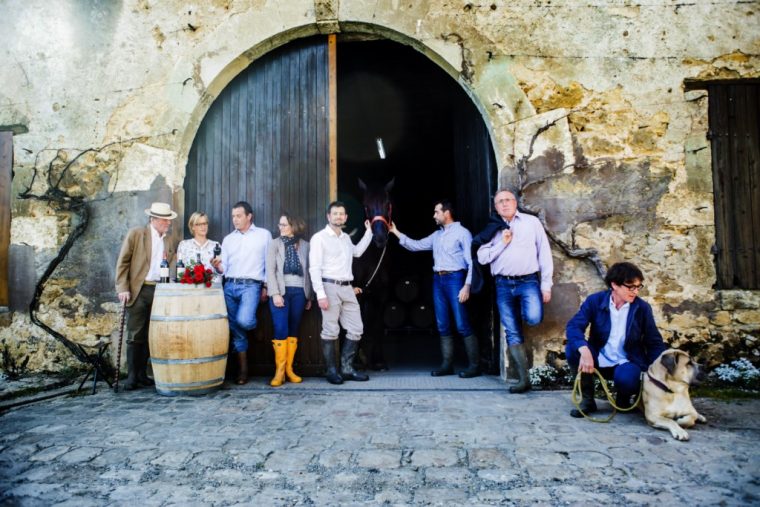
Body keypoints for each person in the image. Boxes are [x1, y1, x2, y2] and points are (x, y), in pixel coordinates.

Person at [390, 199, 480, 378]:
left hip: (456, 279)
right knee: (442, 324)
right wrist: (395, 232)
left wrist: (467, 286)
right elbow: (415, 245)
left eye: (436, 212)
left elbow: (471, 262)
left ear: (446, 213)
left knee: (462, 324)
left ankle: (474, 366)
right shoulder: (436, 236)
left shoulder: (463, 233)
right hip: (438, 280)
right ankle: (447, 365)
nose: (434, 216)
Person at [476, 188, 553, 393]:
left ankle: (520, 312)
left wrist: (546, 285)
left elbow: (544, 253)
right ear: (495, 207)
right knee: (512, 332)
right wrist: (502, 243)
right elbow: (482, 258)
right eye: (500, 201)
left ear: (515, 202)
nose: (505, 204)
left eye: (508, 200)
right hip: (503, 284)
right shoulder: (493, 229)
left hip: (528, 282)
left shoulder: (531, 223)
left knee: (534, 317)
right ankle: (523, 379)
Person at [566, 261, 667, 417]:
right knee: (573, 350)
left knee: (628, 377)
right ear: (614, 285)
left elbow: (654, 342)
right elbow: (574, 326)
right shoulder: (595, 301)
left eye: (638, 287)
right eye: (630, 287)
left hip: (626, 362)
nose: (635, 292)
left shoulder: (642, 308)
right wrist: (584, 350)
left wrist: (660, 369)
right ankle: (587, 400)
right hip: (598, 358)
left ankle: (623, 400)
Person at [115, 202, 178, 390]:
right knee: (135, 334)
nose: (168, 223)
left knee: (152, 334)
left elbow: (172, 262)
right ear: (154, 219)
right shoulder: (137, 234)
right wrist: (122, 288)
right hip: (139, 289)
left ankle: (143, 375)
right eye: (165, 220)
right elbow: (123, 262)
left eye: (169, 220)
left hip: (159, 291)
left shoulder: (169, 239)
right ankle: (132, 376)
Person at [309, 201, 372, 384]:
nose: (338, 216)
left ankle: (346, 369)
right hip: (329, 287)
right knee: (330, 330)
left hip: (347, 288)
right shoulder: (319, 238)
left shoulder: (345, 238)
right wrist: (320, 294)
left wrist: (369, 232)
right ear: (328, 217)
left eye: (341, 214)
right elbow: (314, 268)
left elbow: (358, 252)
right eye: (335, 213)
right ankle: (331, 371)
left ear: (345, 217)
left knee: (356, 328)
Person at [211, 201, 270, 385]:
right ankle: (243, 371)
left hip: (251, 285)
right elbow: (224, 268)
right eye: (233, 216)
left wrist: (266, 286)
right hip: (229, 286)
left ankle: (253, 326)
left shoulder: (263, 235)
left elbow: (269, 263)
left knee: (244, 321)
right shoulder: (228, 239)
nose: (235, 219)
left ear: (249, 216)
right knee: (237, 332)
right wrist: (218, 266)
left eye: (238, 216)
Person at [266, 213, 313, 387]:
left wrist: (310, 296)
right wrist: (275, 293)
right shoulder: (274, 244)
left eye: (284, 225)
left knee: (294, 329)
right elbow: (270, 271)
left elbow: (309, 271)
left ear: (294, 226)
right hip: (281, 291)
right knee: (280, 328)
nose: (281, 228)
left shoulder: (306, 246)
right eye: (280, 225)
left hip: (300, 292)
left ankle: (289, 370)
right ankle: (279, 372)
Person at [177, 211, 221, 283]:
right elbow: (180, 270)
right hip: (190, 288)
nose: (203, 227)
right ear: (192, 227)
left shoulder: (216, 246)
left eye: (204, 223)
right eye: (199, 224)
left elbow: (222, 270)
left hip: (212, 289)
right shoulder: (184, 245)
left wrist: (218, 266)